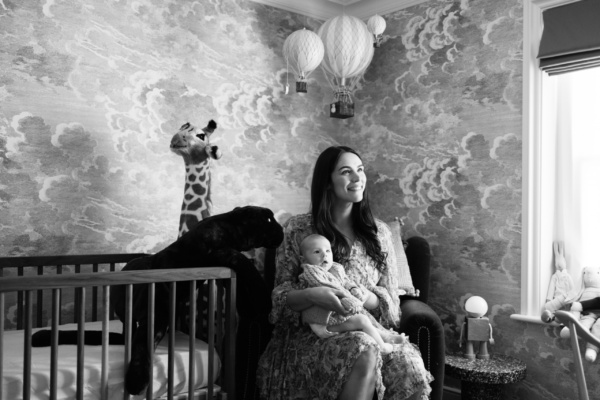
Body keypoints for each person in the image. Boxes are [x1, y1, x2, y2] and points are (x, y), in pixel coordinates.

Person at [257, 145, 433, 400]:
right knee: (363, 348)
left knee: (408, 362)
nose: (357, 177)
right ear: (327, 182)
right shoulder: (298, 229)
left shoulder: (379, 233)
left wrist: (365, 297)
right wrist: (315, 295)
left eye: (360, 170)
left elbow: (393, 306)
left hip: (370, 326)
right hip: (314, 334)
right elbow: (280, 297)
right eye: (346, 172)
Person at [298, 233, 407, 353]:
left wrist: (354, 289)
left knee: (364, 318)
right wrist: (350, 299)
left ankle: (386, 337)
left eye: (328, 251)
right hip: (322, 323)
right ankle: (383, 347)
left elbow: (346, 282)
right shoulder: (312, 273)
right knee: (361, 320)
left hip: (335, 316)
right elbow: (331, 289)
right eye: (317, 252)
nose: (324, 255)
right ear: (304, 259)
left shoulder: (334, 270)